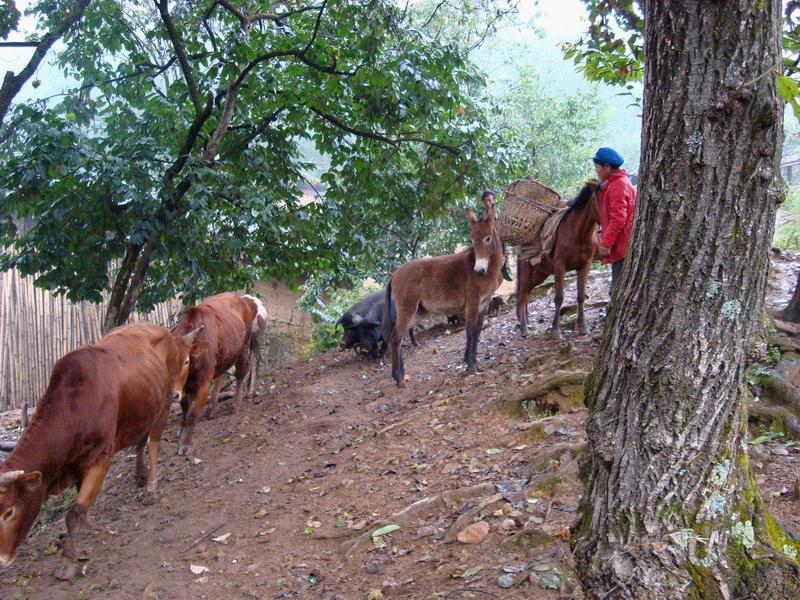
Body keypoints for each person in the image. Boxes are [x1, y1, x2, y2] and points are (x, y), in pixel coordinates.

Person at [592, 147, 637, 297]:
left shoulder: (618, 186)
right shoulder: (614, 183)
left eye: (598, 167)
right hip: (622, 243)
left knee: (617, 290)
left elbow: (618, 219)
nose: (596, 171)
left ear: (607, 167)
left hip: (623, 244)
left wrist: (606, 243)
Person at [481, 190, 513, 281]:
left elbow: (505, 235)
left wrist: (504, 254)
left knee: (500, 272)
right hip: (487, 249)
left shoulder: (502, 216)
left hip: (499, 248)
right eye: (485, 201)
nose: (488, 203)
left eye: (489, 200)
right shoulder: (483, 217)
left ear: (494, 201)